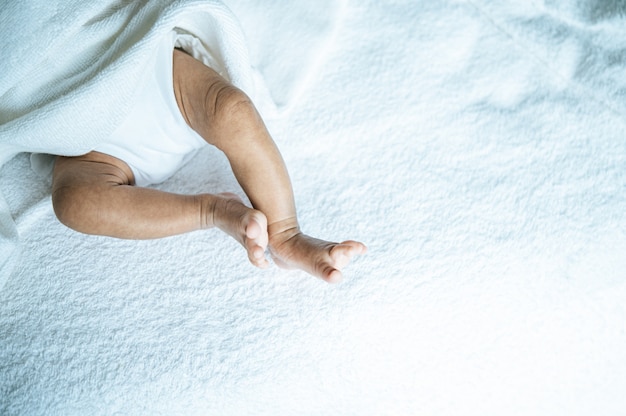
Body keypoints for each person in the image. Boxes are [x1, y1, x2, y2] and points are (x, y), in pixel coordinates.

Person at [50, 35, 366, 283]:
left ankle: (285, 233)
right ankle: (212, 210)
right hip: (83, 132)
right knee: (73, 201)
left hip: (146, 68)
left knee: (231, 110)